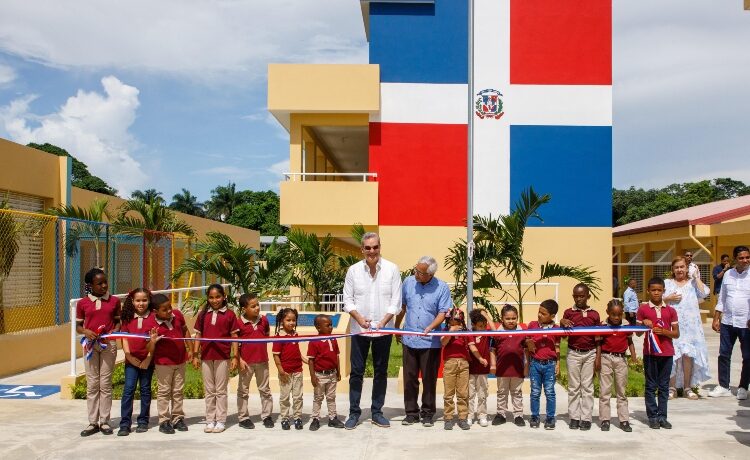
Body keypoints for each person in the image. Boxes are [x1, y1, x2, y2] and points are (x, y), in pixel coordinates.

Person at [342, 232, 402, 429]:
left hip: (384, 331)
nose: (372, 251)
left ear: (380, 247)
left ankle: (377, 412)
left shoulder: (392, 269)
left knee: (381, 372)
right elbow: (348, 300)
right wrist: (359, 318)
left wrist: (384, 321)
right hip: (359, 330)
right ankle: (354, 413)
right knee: (356, 373)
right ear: (362, 249)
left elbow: (396, 301)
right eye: (367, 248)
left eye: (375, 247)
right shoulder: (353, 271)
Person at [395, 255, 450, 427]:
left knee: (429, 379)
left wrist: (430, 327)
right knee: (409, 378)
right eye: (416, 269)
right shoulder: (408, 282)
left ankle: (427, 413)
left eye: (420, 272)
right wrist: (397, 327)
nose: (416, 273)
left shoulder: (442, 287)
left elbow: (443, 312)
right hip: (409, 339)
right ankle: (411, 413)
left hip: (430, 342)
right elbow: (403, 307)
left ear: (430, 274)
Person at [76, 268, 121, 437]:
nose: (103, 286)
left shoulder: (114, 301)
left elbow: (118, 322)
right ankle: (92, 422)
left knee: (105, 383)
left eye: (105, 282)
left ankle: (105, 421)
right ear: (90, 285)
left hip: (108, 345)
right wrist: (86, 331)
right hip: (90, 346)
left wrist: (114, 331)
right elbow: (78, 326)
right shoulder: (83, 303)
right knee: (93, 383)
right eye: (99, 283)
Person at [193, 284, 239, 434]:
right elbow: (198, 335)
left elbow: (234, 336)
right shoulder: (202, 315)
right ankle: (210, 420)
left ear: (224, 296)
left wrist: (235, 356)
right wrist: (195, 355)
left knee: (220, 390)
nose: (215, 300)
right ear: (207, 298)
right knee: (209, 390)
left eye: (218, 297)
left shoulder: (230, 315)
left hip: (223, 357)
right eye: (211, 297)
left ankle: (220, 420)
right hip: (206, 357)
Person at [663, 256, 710, 399]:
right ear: (672, 269)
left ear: (686, 268)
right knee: (673, 355)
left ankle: (687, 387)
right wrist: (668, 298)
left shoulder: (692, 283)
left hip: (691, 327)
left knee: (688, 355)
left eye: (682, 267)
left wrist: (696, 277)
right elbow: (656, 299)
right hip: (673, 326)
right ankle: (672, 388)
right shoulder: (667, 283)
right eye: (676, 267)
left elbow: (704, 293)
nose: (679, 270)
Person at [637, 277, 680, 429]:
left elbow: (676, 334)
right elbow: (637, 333)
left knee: (664, 386)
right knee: (650, 385)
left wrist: (664, 332)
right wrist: (643, 323)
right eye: (653, 290)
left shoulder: (671, 310)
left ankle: (663, 416)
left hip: (667, 353)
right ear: (648, 291)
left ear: (663, 291)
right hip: (650, 353)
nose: (656, 293)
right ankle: (652, 416)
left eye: (659, 290)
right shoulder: (643, 309)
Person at [709, 245, 750, 400]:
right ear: (735, 259)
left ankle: (743, 387)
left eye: (747, 257)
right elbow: (722, 298)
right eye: (741, 258)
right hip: (727, 322)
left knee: (747, 356)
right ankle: (723, 386)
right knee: (724, 354)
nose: (745, 260)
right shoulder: (728, 274)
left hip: (746, 323)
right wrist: (716, 318)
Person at [147, 293, 192, 434]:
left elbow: (185, 330)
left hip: (180, 360)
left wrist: (190, 349)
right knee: (164, 391)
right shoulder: (151, 324)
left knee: (178, 390)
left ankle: (177, 418)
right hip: (164, 363)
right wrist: (153, 341)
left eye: (170, 307)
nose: (169, 311)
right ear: (155, 311)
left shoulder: (177, 315)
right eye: (164, 309)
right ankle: (164, 420)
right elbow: (149, 348)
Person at [560, 283, 600, 431]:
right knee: (573, 387)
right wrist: (562, 322)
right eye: (576, 296)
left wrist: (598, 357)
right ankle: (574, 417)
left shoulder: (594, 314)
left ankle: (586, 418)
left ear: (588, 296)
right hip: (573, 353)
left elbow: (598, 337)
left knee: (587, 387)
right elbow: (563, 332)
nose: (579, 299)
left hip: (590, 353)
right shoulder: (568, 313)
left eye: (582, 296)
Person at [118, 288, 155, 436]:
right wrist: (129, 356)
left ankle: (143, 421)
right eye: (138, 300)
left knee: (145, 389)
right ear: (132, 301)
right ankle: (125, 424)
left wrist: (148, 358)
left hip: (147, 361)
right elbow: (124, 338)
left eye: (144, 300)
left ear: (149, 301)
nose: (141, 303)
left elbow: (154, 341)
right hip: (131, 361)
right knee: (129, 390)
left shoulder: (154, 317)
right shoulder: (127, 317)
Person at [595, 299, 636, 432]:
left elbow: (630, 340)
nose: (617, 317)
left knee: (621, 391)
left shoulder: (626, 325)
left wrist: (634, 356)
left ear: (622, 313)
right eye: (613, 314)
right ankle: (605, 419)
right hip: (606, 358)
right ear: (608, 312)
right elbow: (598, 343)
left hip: (621, 359)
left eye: (619, 314)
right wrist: (598, 359)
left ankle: (624, 420)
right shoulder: (603, 325)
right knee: (605, 390)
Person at [235, 293, 274, 429]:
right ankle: (243, 418)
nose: (257, 308)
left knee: (265, 390)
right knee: (243, 391)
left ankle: (267, 416)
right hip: (245, 363)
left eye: (258, 305)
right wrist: (239, 359)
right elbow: (235, 344)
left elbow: (267, 335)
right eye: (253, 306)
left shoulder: (264, 320)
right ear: (244, 309)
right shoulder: (239, 323)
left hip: (262, 361)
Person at [490, 304, 528, 428]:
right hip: (502, 369)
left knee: (517, 392)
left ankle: (518, 415)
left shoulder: (522, 333)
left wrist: (526, 366)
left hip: (517, 369)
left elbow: (526, 351)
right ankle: (501, 414)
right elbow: (492, 350)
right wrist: (493, 364)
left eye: (513, 318)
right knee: (502, 392)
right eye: (508, 318)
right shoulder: (498, 334)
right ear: (502, 319)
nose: (511, 321)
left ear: (517, 318)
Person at [525, 299, 560, 430]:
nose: (539, 315)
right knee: (535, 392)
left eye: (543, 313)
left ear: (552, 316)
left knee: (550, 392)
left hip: (550, 365)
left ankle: (550, 417)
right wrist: (528, 344)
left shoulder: (556, 329)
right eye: (539, 312)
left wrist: (558, 363)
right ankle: (535, 416)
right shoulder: (532, 325)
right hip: (535, 364)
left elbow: (557, 347)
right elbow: (527, 342)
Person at [307, 314, 345, 430]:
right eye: (328, 325)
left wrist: (338, 371)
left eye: (331, 325)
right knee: (318, 398)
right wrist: (312, 376)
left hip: (332, 374)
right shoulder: (314, 341)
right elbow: (311, 360)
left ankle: (332, 418)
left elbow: (336, 356)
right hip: (320, 375)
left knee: (331, 397)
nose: (331, 327)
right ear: (319, 327)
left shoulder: (333, 339)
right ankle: (315, 419)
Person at [272, 308, 307, 430]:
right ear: (282, 321)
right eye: (288, 320)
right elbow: (276, 355)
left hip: (298, 371)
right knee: (285, 397)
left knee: (298, 396)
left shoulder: (295, 334)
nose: (291, 322)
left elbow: (297, 352)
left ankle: (297, 417)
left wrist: (306, 360)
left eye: (294, 320)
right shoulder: (279, 337)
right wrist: (280, 370)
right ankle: (285, 418)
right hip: (285, 373)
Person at [441, 308, 472, 431]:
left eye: (457, 322)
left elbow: (471, 345)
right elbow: (443, 342)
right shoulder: (445, 331)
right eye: (451, 322)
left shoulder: (465, 331)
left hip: (463, 364)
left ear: (461, 321)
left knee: (463, 393)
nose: (454, 324)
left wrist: (480, 358)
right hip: (450, 363)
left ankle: (463, 418)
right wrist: (451, 331)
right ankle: (448, 418)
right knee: (448, 393)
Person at [467, 309, 493, 427]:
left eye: (484, 325)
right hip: (471, 369)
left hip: (483, 370)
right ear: (473, 325)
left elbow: (495, 330)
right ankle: (469, 415)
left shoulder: (487, 334)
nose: (483, 328)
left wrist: (486, 317)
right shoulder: (469, 334)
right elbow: (472, 348)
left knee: (482, 394)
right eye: (480, 326)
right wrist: (480, 358)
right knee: (470, 394)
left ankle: (482, 415)